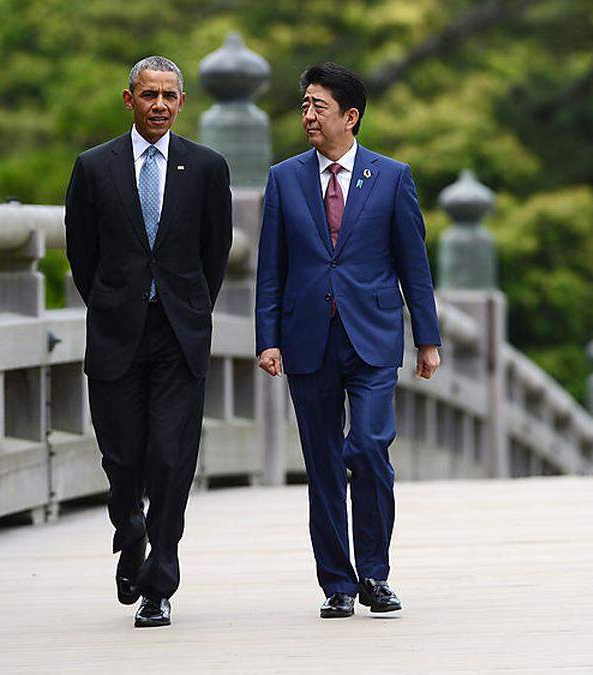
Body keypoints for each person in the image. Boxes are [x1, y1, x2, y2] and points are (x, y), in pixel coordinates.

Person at [254, 62, 441, 618]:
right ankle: (337, 583)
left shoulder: (391, 176)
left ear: (350, 116)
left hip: (373, 338)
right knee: (323, 463)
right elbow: (272, 268)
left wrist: (426, 339)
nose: (308, 115)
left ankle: (375, 575)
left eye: (320, 106)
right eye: (304, 104)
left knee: (367, 446)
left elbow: (415, 265)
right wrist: (268, 337)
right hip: (307, 336)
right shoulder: (284, 178)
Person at [65, 56, 232, 628]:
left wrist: (187, 308)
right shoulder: (93, 168)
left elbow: (216, 252)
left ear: (181, 103)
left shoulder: (207, 167)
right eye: (148, 95)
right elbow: (80, 254)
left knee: (170, 458)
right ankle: (129, 534)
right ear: (128, 99)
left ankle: (159, 582)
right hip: (116, 333)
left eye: (168, 95)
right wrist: (114, 301)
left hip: (179, 334)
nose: (158, 104)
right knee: (123, 459)